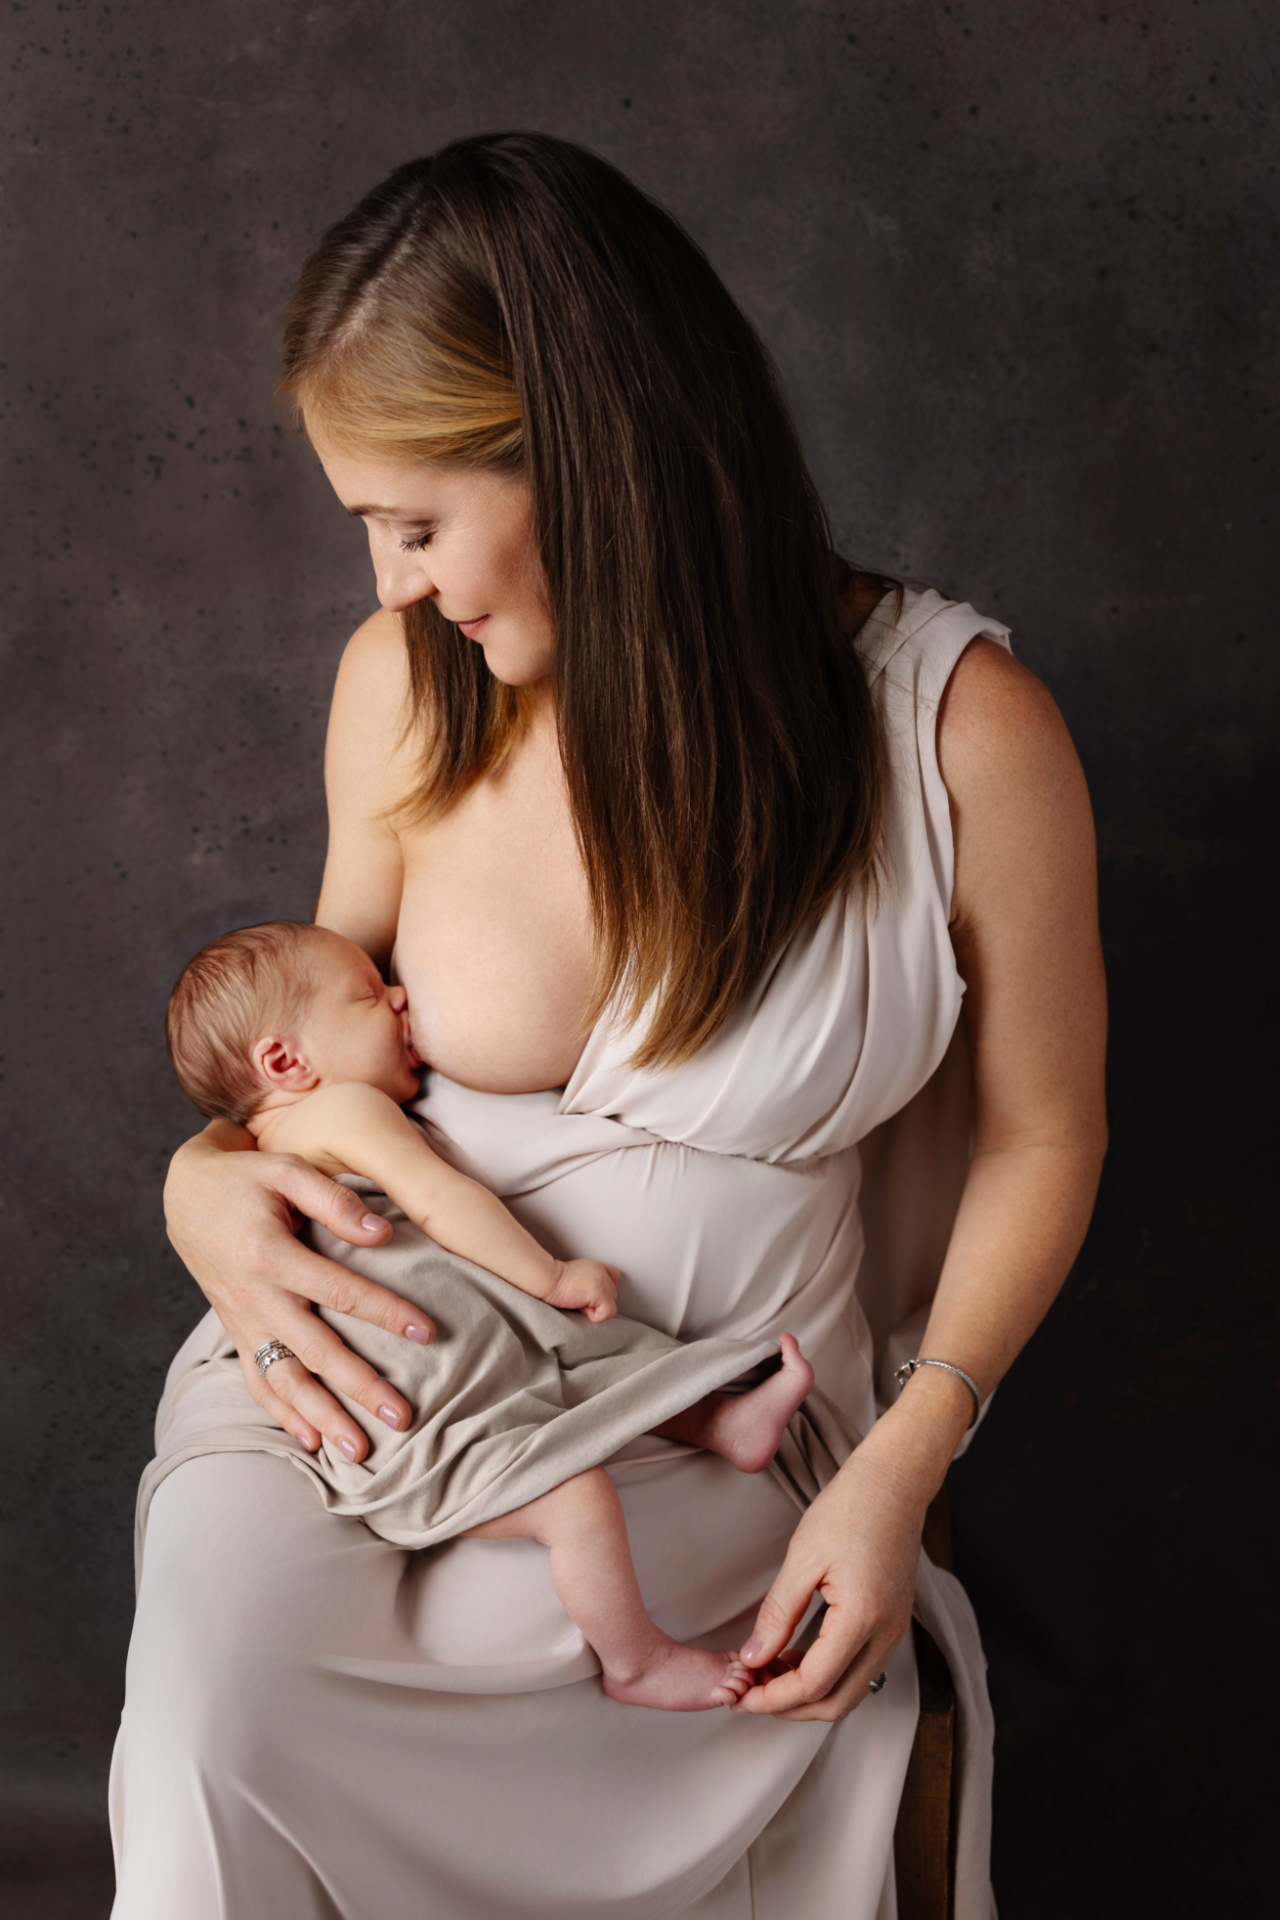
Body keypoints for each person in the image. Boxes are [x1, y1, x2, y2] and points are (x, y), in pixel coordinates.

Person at [111, 132, 1106, 1919]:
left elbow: (1046, 1133)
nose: (392, 587)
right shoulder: (402, 698)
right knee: (217, 1686)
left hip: (698, 1408)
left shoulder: (961, 733)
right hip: (373, 1372)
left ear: (589, 459)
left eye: (416, 523)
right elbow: (295, 1051)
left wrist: (906, 1458)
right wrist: (198, 1190)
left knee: (532, 1629)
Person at [160, 915, 816, 1711]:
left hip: (442, 1367)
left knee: (587, 1368)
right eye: (368, 994)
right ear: (285, 1061)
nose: (401, 997)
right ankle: (634, 1659)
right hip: (424, 1408)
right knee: (576, 1490)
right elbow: (443, 1202)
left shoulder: (272, 1146)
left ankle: (719, 1423)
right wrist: (550, 1275)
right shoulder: (342, 1112)